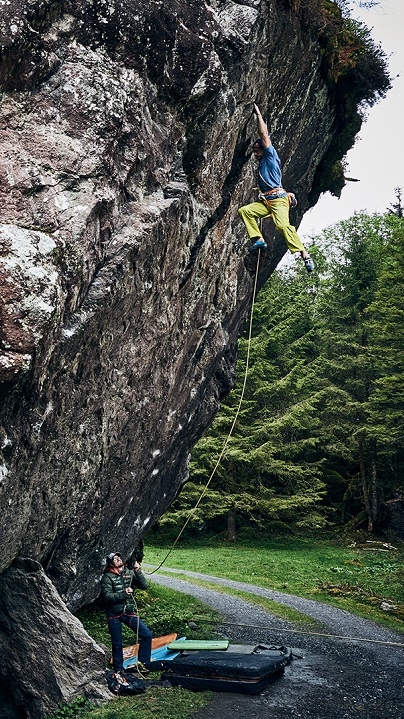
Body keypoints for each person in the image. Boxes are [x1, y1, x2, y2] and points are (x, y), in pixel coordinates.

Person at [238, 104, 314, 272]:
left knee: (282, 226)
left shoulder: (270, 155)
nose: (255, 154)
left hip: (279, 199)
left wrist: (258, 114)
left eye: (257, 151)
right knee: (245, 211)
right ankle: (258, 239)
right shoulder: (263, 162)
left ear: (264, 150)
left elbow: (264, 134)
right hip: (268, 202)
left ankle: (304, 254)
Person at [100, 552, 152, 679]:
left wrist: (138, 571)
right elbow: (107, 597)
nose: (118, 559)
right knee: (117, 642)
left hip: (128, 612)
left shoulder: (129, 572)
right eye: (115, 558)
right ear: (111, 563)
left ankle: (143, 664)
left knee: (147, 634)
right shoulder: (107, 577)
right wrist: (124, 593)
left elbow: (144, 586)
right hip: (114, 614)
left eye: (119, 557)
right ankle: (119, 668)